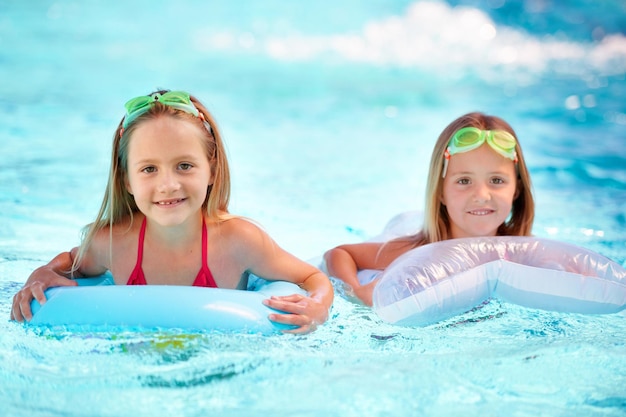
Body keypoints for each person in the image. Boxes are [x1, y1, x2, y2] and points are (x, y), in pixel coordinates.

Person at [11, 89, 333, 333]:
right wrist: (41, 273)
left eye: (184, 166)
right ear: (127, 180)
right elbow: (71, 263)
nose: (168, 185)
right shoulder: (115, 242)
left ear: (211, 169)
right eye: (149, 169)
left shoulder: (239, 241)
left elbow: (311, 276)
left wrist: (318, 307)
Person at [324, 112, 535, 306]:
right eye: (464, 181)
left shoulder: (527, 254)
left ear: (517, 189)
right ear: (440, 191)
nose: (481, 195)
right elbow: (340, 254)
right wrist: (357, 295)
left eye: (496, 180)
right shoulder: (419, 251)